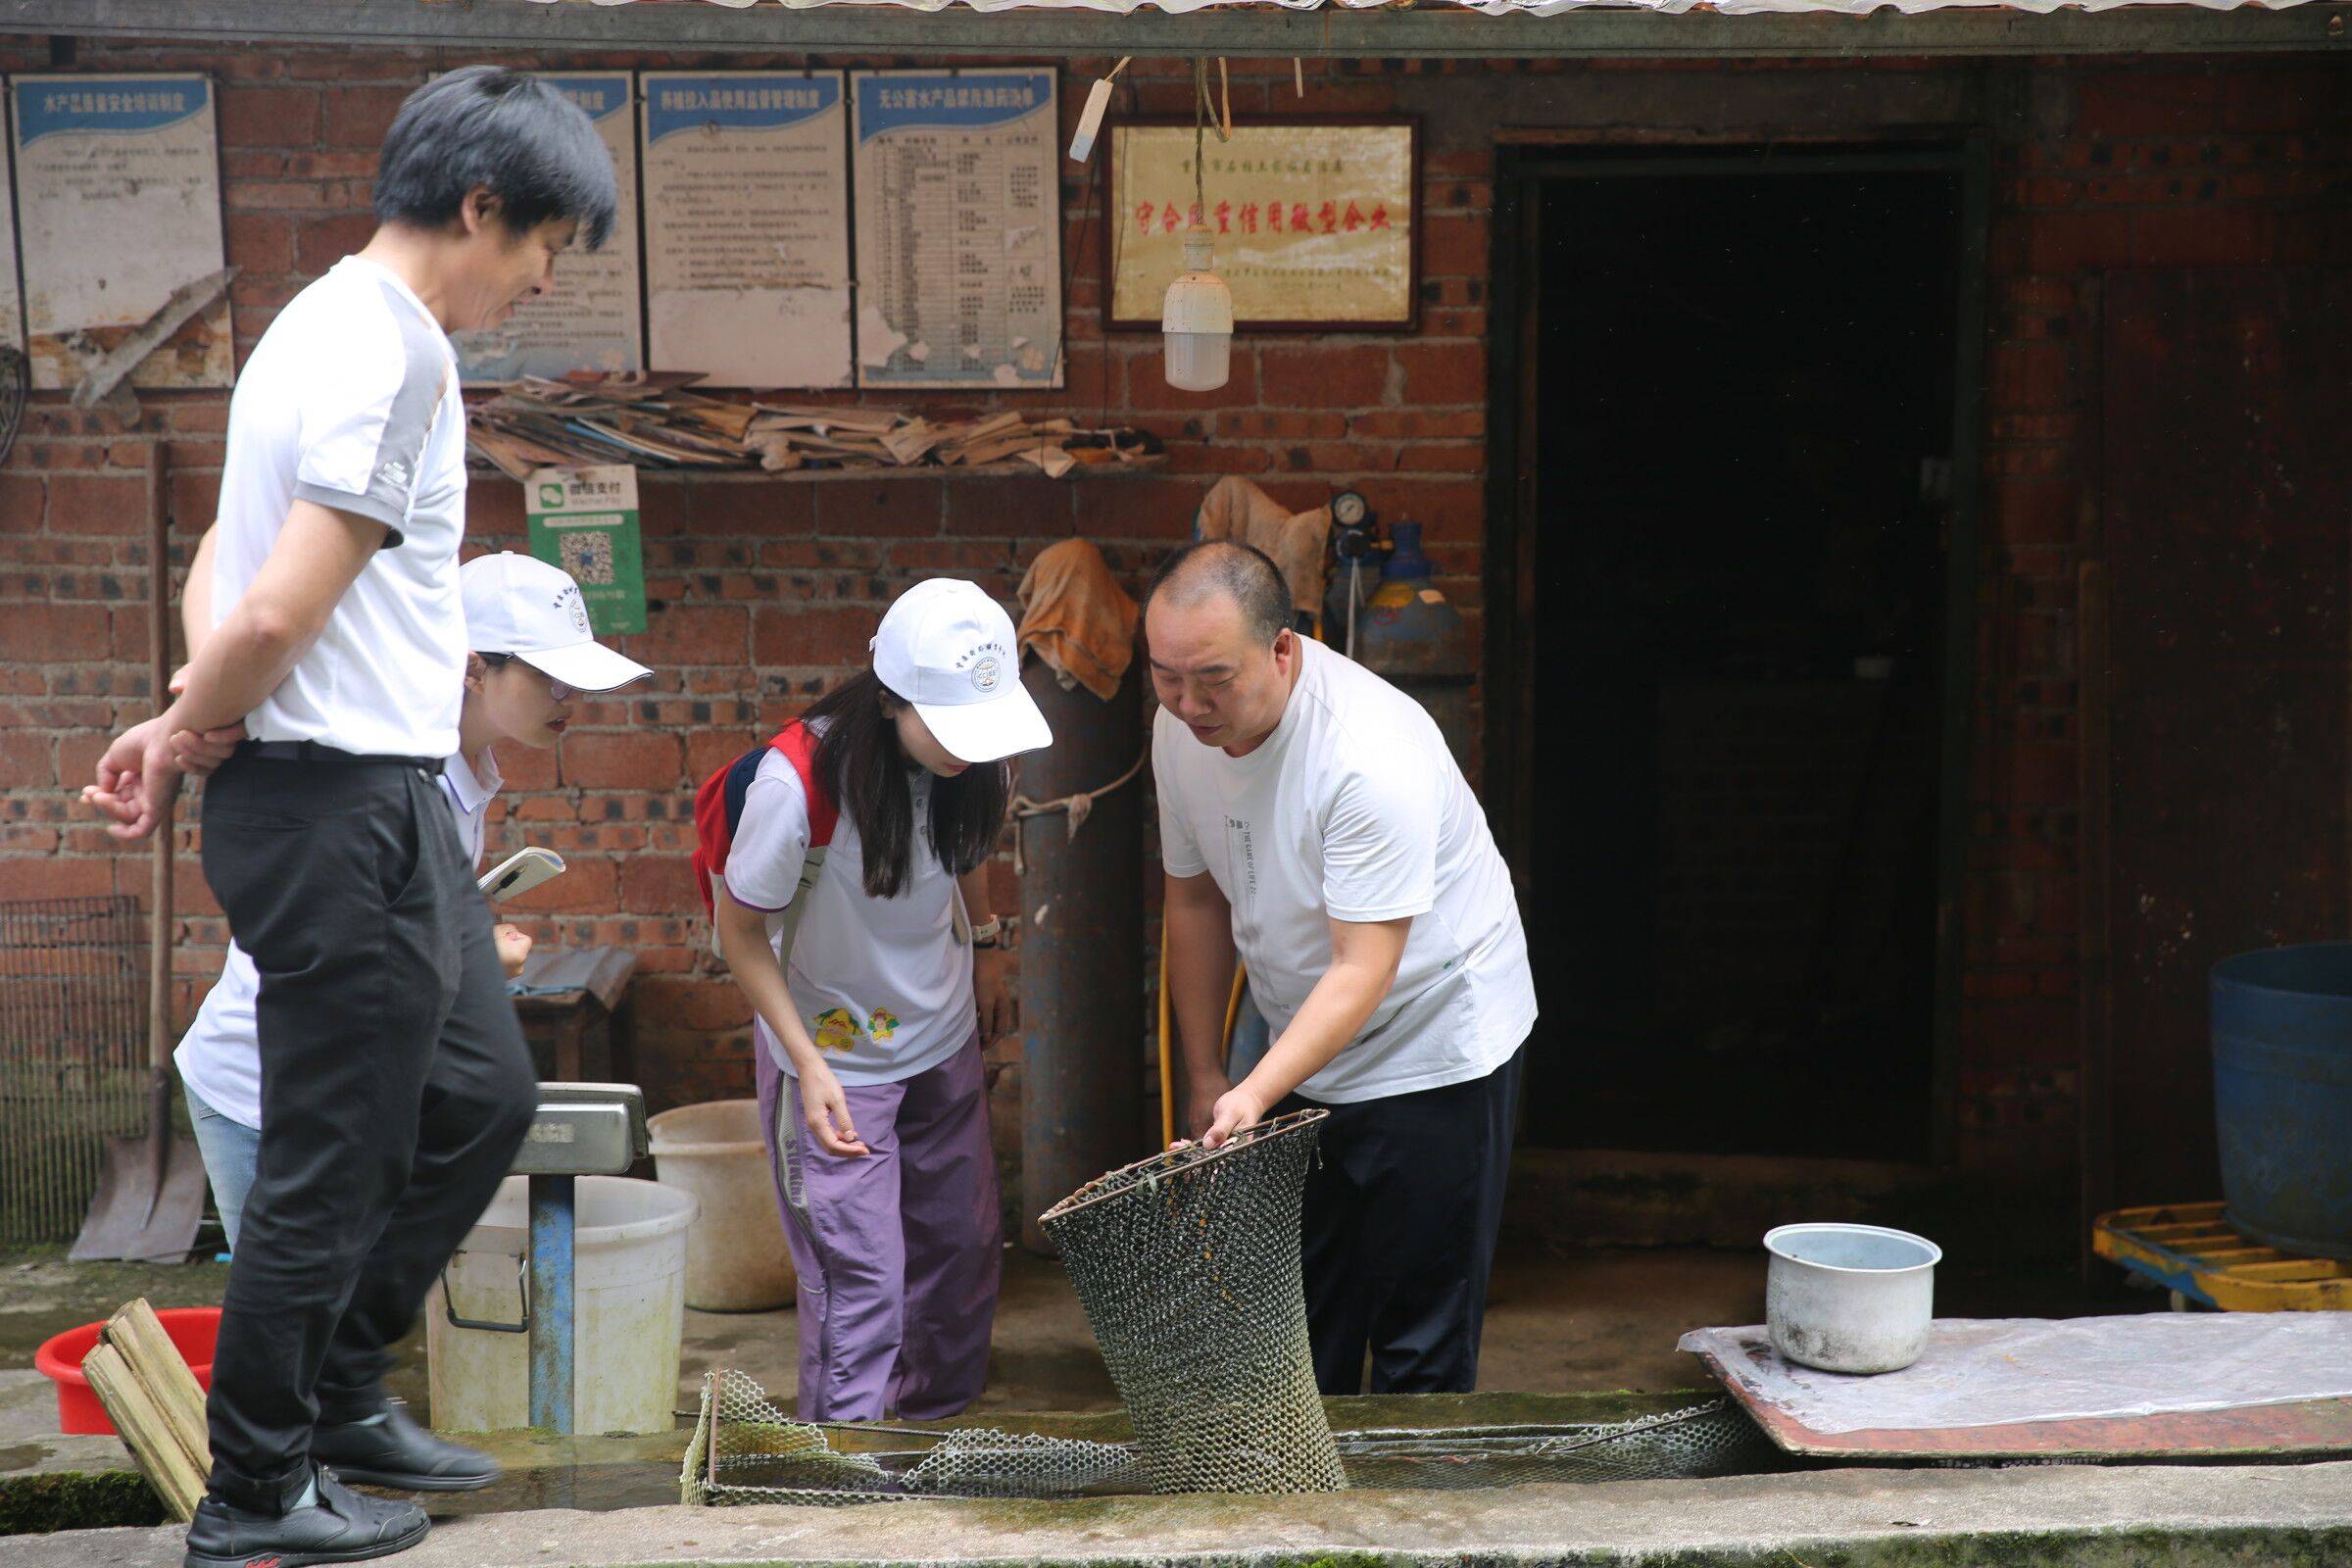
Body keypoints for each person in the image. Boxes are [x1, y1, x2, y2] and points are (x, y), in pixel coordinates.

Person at [80, 67, 617, 1568]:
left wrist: (187, 712)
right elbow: (269, 600)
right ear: (479, 206)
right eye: (543, 244)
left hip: (367, 793)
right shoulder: (396, 360)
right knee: (336, 1155)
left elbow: (218, 573)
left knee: (477, 1095)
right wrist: (193, 721)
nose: (542, 276)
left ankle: (338, 1392)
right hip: (337, 808)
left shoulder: (304, 331)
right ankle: (255, 1491)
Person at [1147, 540, 1538, 1397]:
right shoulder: (1181, 729)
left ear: (1284, 649)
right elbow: (1195, 901)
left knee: (1417, 1338)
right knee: (1303, 1320)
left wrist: (1253, 1091)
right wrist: (1212, 1070)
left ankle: (1404, 1518)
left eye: (1211, 677)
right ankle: (1301, 1516)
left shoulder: (1368, 753)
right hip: (1304, 1034)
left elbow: (1364, 970)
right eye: (1165, 675)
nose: (1186, 703)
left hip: (1432, 1039)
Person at [175, 550, 652, 1253]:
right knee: (297, 1336)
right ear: (472, 666)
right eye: (549, 677)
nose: (567, 698)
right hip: (268, 1090)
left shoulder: (462, 770)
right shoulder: (389, 772)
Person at [712, 579, 1052, 1422]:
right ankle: (848, 1475)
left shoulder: (979, 757)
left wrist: (988, 955)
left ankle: (932, 1433)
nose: (969, 749)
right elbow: (740, 934)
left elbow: (960, 850)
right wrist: (805, 1063)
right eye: (951, 728)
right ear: (893, 699)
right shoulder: (796, 787)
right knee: (861, 1273)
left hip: (941, 1038)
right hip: (834, 1059)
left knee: (963, 1250)